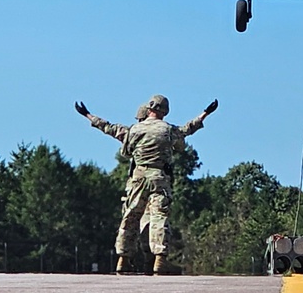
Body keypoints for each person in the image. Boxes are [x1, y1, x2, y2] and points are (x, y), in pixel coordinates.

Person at [75, 94, 219, 275]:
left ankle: (123, 259)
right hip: (160, 177)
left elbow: (109, 129)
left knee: (131, 216)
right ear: (165, 111)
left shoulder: (134, 129)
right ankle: (159, 259)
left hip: (138, 178)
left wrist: (87, 115)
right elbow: (188, 129)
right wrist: (206, 113)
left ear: (149, 108)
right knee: (159, 217)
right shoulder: (168, 130)